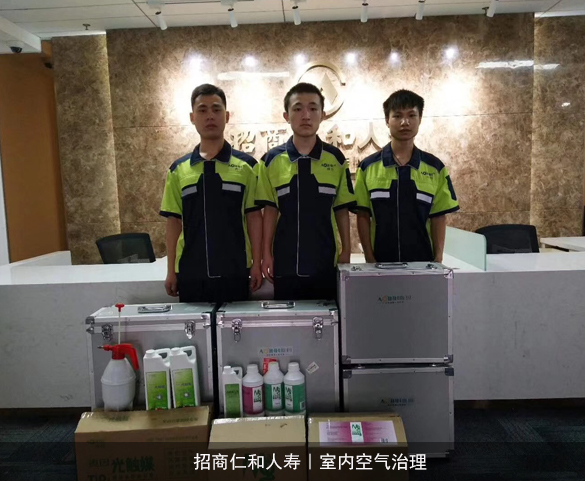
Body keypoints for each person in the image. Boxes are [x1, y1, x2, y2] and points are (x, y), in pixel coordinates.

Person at [159, 83, 262, 302]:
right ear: (192, 117)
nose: (210, 116)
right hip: (191, 271)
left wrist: (257, 263)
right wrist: (170, 270)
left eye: (216, 109)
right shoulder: (178, 170)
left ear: (227, 115)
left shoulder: (247, 166)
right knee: (194, 326)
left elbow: (254, 217)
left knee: (235, 325)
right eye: (202, 110)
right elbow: (173, 222)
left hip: (235, 269)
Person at [255, 82, 356, 301]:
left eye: (313, 108)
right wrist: (266, 254)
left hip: (326, 260)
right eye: (298, 108)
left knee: (328, 317)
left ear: (323, 115)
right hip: (285, 261)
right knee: (288, 317)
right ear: (286, 116)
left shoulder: (336, 159)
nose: (306, 116)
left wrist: (346, 251)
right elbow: (270, 212)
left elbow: (341, 210)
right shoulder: (271, 160)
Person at [354, 89, 459, 263]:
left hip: (422, 262)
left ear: (420, 119)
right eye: (397, 116)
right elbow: (363, 216)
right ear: (387, 120)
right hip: (380, 263)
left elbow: (438, 217)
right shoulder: (368, 167)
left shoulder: (435, 168)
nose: (405, 122)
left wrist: (438, 257)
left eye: (411, 115)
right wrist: (369, 257)